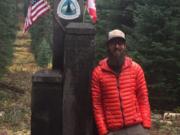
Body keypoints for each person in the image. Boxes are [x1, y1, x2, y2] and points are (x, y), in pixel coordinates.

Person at [91, 29, 151, 135]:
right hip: (113, 130)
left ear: (125, 46)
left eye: (120, 43)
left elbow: (143, 98)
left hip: (136, 127)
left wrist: (146, 125)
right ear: (108, 46)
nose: (117, 46)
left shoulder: (136, 69)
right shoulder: (98, 73)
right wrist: (103, 131)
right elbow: (97, 105)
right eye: (113, 43)